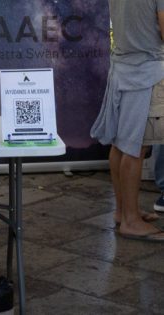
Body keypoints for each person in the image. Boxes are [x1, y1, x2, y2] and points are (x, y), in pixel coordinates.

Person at [90, 0, 164, 241]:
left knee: (121, 146)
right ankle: (131, 221)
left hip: (122, 68)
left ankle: (123, 212)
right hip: (146, 73)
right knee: (135, 148)